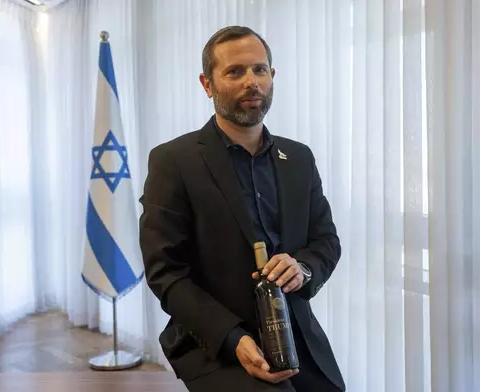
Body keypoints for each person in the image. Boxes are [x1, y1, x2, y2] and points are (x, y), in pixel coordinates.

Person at [138, 26, 346, 392]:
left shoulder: (298, 157)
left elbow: (326, 240)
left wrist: (303, 267)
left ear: (272, 76)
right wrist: (233, 339)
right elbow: (165, 273)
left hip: (293, 332)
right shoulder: (173, 161)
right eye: (235, 72)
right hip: (213, 338)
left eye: (260, 70)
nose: (252, 81)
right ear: (207, 84)